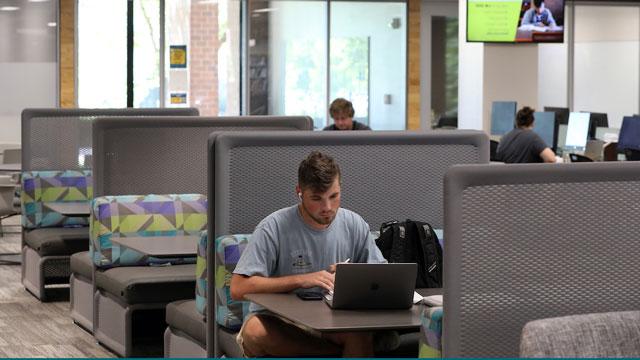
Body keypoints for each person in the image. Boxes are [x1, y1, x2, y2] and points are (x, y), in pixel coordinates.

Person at [230, 151, 388, 357]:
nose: (327, 208)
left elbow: (383, 278)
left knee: (359, 335)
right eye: (317, 198)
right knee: (255, 331)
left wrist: (354, 275)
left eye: (334, 196)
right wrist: (301, 280)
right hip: (280, 321)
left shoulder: (354, 224)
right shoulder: (273, 227)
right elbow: (238, 288)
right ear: (299, 192)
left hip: (334, 321)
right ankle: (335, 355)